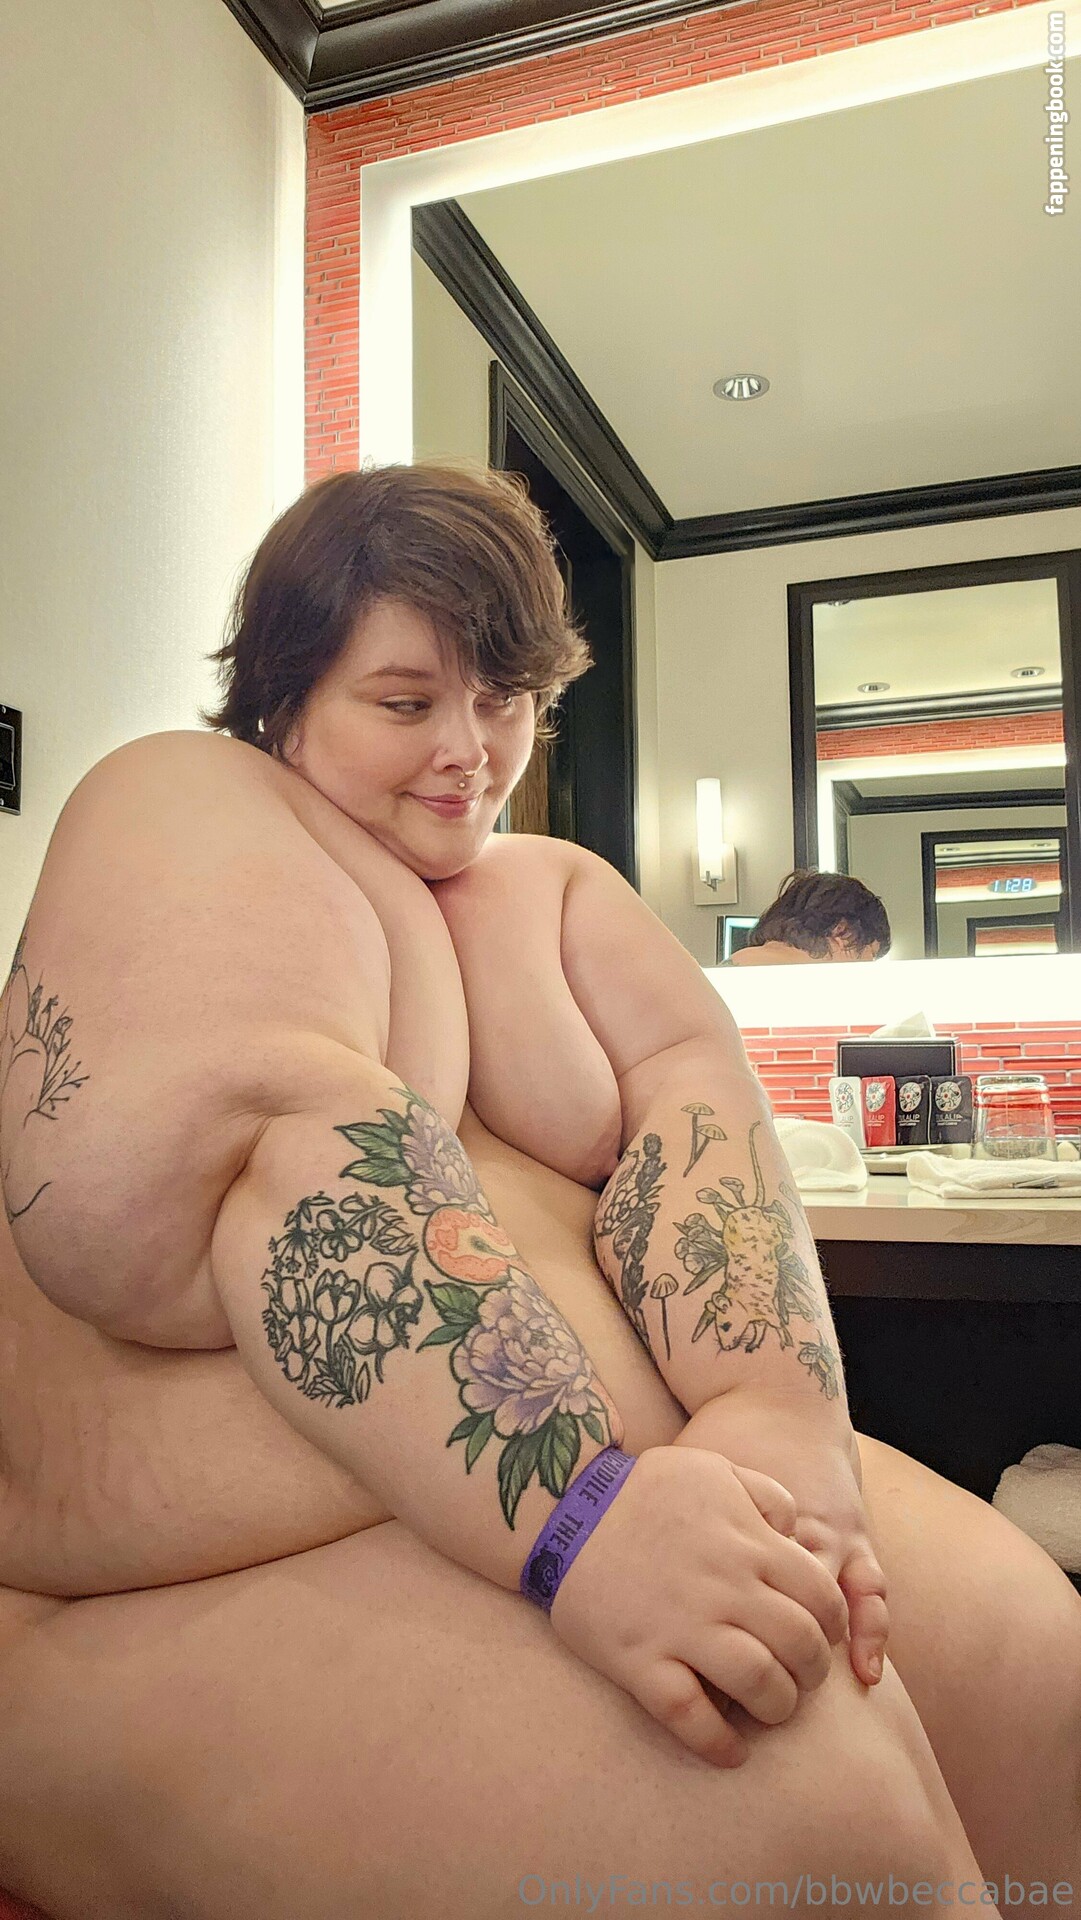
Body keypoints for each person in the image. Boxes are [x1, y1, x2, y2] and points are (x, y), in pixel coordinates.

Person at [0, 466, 1076, 1920]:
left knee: (1032, 1664)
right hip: (174, 1576)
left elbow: (693, 1106)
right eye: (404, 702)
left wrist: (771, 1408)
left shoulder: (549, 889)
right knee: (813, 1836)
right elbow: (246, 1160)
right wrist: (578, 1516)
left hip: (596, 1490)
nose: (468, 751)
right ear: (282, 698)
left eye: (502, 698)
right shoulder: (192, 806)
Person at [728, 870, 890, 967]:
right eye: (872, 955)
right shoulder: (827, 994)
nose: (870, 965)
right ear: (842, 932)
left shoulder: (730, 967)